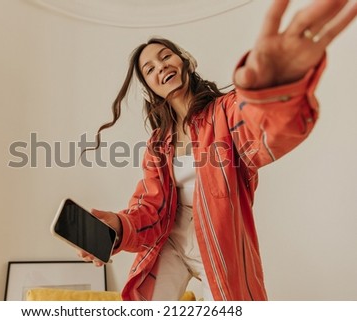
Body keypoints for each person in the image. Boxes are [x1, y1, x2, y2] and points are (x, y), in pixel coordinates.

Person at [78, 0, 357, 300]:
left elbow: (263, 131)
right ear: (150, 87)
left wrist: (273, 89)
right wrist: (118, 226)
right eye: (150, 69)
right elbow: (149, 208)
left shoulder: (225, 112)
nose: (161, 67)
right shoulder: (158, 145)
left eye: (166, 56)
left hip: (220, 244)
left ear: (184, 60)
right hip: (168, 242)